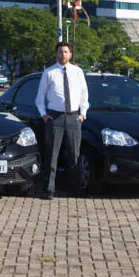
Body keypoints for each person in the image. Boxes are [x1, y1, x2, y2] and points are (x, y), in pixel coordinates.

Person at [34, 41, 89, 199]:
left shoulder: (78, 72)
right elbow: (40, 97)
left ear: (70, 54)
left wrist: (82, 114)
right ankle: (49, 190)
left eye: (65, 52)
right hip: (55, 118)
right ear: (56, 54)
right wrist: (44, 115)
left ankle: (77, 189)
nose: (62, 54)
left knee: (74, 155)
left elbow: (84, 94)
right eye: (60, 52)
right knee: (52, 154)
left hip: (73, 117)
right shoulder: (49, 72)